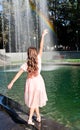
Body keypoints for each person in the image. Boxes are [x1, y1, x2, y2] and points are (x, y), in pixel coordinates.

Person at [7, 29, 48, 125]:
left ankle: (35, 117)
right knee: (35, 101)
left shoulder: (26, 64)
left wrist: (12, 82)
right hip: (38, 83)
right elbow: (41, 47)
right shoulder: (38, 59)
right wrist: (43, 36)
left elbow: (18, 74)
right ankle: (32, 119)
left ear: (28, 54)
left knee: (34, 101)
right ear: (35, 53)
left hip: (30, 84)